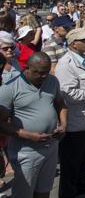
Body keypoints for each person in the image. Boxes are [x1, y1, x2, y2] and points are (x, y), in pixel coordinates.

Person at [0, 52, 67, 198]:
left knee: (44, 191)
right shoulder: (9, 89)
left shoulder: (52, 81)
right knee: (24, 194)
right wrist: (28, 135)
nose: (44, 76)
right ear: (27, 68)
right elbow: (1, 123)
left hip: (50, 147)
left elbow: (60, 104)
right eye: (39, 73)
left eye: (46, 72)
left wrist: (63, 125)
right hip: (26, 152)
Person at [55, 28, 85, 197]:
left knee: (83, 159)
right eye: (83, 40)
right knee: (71, 162)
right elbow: (67, 92)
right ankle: (68, 192)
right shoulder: (66, 63)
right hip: (76, 121)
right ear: (73, 44)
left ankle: (81, 184)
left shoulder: (83, 59)